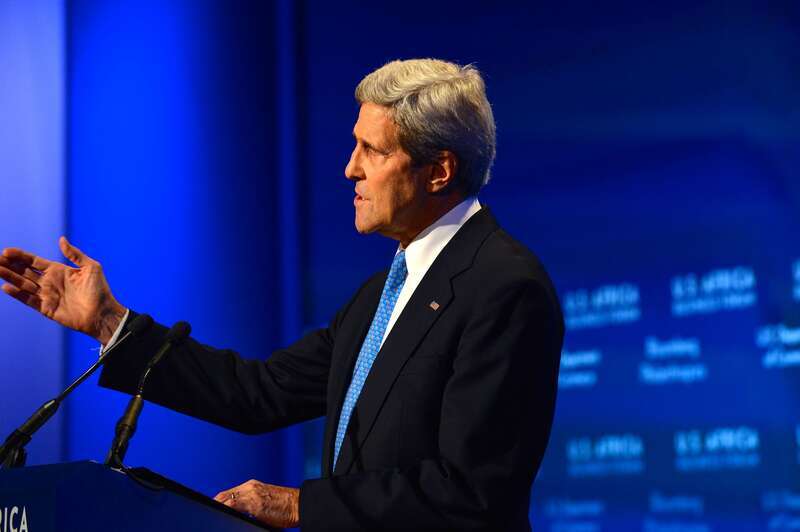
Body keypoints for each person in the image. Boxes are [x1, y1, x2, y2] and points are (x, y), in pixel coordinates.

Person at [0, 58, 563, 531]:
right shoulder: (384, 291)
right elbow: (259, 393)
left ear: (439, 170)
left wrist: (297, 505)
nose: (350, 169)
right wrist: (108, 322)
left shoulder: (503, 286)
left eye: (372, 150)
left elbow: (471, 490)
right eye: (354, 146)